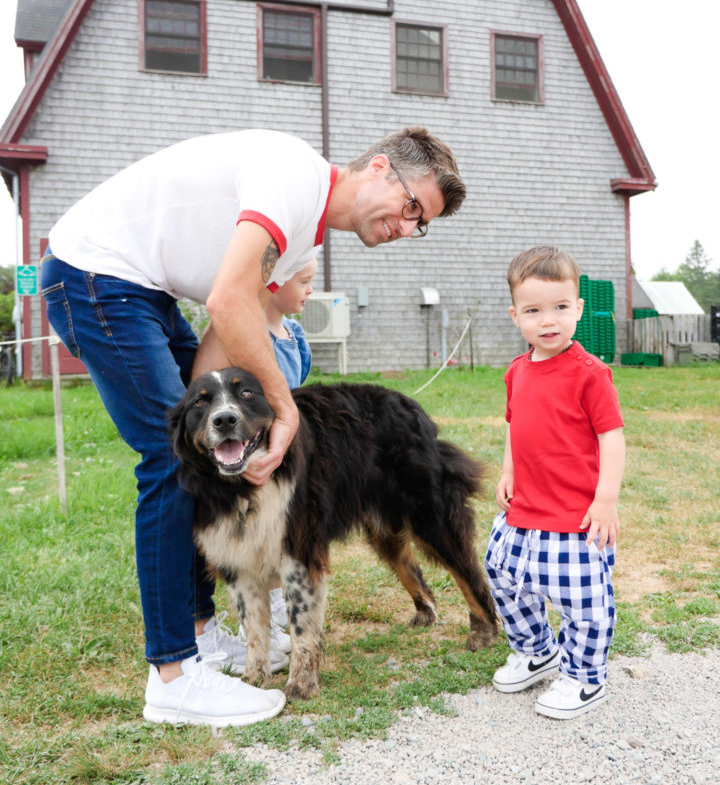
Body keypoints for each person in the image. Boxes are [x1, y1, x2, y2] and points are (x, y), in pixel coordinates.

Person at [40, 127, 465, 727]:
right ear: (380, 169)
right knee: (170, 458)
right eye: (411, 205)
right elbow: (227, 303)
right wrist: (285, 409)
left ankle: (200, 635)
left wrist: (229, 425)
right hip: (97, 276)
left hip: (139, 288)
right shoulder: (293, 177)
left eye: (420, 223)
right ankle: (172, 676)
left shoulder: (298, 241)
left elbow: (215, 358)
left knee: (203, 448)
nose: (406, 226)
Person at [485, 245, 625, 720]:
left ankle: (586, 677)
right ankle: (537, 649)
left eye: (561, 307)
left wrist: (605, 500)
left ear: (579, 308)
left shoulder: (591, 375)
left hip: (575, 518)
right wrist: (508, 471)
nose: (549, 321)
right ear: (515, 315)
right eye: (534, 310)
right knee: (504, 577)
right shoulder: (517, 372)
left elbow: (612, 438)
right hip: (524, 510)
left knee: (582, 602)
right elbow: (514, 425)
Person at [264, 257, 317, 650]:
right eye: (304, 281)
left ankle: (289, 603)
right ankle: (267, 606)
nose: (310, 290)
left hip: (294, 446)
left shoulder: (294, 334)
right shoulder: (249, 334)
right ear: (274, 283)